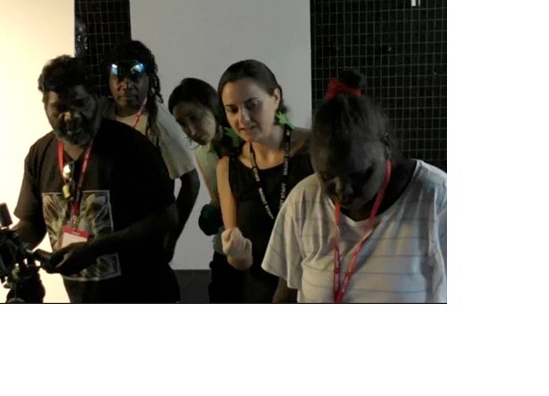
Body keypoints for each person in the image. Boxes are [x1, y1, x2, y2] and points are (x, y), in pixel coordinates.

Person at [0, 55, 180, 303]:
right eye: (60, 108)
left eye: (79, 104)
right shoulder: (40, 154)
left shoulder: (132, 147)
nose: (71, 117)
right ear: (46, 107)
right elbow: (32, 225)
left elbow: (166, 217)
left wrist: (96, 248)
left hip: (144, 296)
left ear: (95, 98)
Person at [262, 69, 447, 303]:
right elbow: (286, 296)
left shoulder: (437, 200)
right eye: (328, 176)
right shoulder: (303, 200)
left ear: (386, 145)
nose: (343, 190)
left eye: (360, 175)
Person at [216, 60, 314, 303]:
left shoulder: (314, 149)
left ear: (276, 97)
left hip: (313, 289)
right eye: (232, 109)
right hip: (261, 292)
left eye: (252, 105)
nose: (243, 119)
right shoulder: (228, 167)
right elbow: (240, 260)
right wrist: (236, 255)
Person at [102, 40, 200, 261]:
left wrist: (172, 237)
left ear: (148, 80)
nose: (126, 85)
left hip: (146, 233)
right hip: (107, 232)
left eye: (135, 77)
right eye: (119, 77)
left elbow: (191, 181)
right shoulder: (100, 114)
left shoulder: (160, 124)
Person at [168, 77, 244, 303]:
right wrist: (212, 211)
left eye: (195, 117)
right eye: (182, 123)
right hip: (225, 249)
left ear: (212, 106)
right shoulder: (203, 152)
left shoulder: (246, 140)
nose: (191, 130)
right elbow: (217, 199)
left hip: (257, 250)